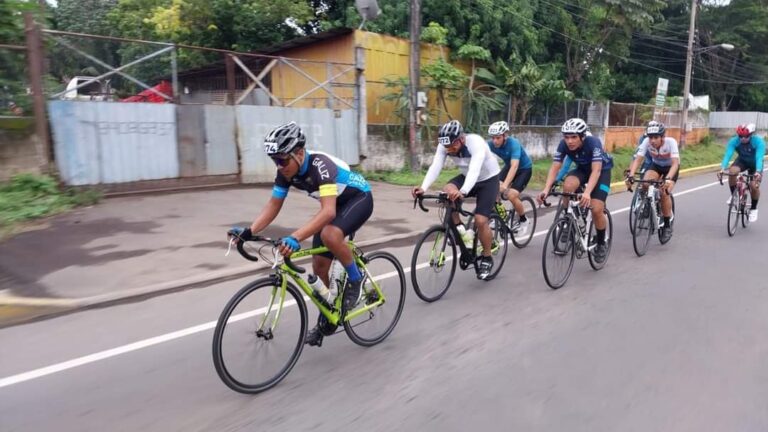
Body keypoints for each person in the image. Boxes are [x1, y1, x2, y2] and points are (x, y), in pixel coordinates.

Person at [237, 121, 373, 347]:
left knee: (330, 235)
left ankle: (356, 278)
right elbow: (273, 205)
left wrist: (295, 237)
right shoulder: (286, 172)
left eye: (282, 160)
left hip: (358, 199)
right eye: (275, 160)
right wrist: (249, 232)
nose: (279, 166)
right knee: (319, 267)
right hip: (335, 206)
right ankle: (331, 313)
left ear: (299, 153)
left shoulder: (321, 166)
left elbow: (328, 211)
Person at [412, 120, 501, 280]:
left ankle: (487, 257)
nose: (449, 150)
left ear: (461, 139)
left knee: (480, 221)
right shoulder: (445, 145)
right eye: (447, 148)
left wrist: (463, 191)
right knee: (447, 191)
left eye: (452, 146)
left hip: (488, 179)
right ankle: (464, 235)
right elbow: (436, 166)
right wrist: (423, 188)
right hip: (467, 176)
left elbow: (474, 170)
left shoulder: (476, 143)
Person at [537, 118, 613, 263]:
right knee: (568, 185)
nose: (569, 141)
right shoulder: (563, 145)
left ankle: (601, 242)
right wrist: (546, 189)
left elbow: (596, 170)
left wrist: (587, 192)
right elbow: (555, 167)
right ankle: (568, 218)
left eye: (573, 137)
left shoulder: (593, 143)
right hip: (583, 170)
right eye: (566, 137)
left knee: (597, 209)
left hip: (602, 171)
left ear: (582, 136)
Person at [624, 121, 679, 242]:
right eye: (650, 138)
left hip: (670, 168)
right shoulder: (646, 142)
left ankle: (667, 224)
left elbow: (675, 164)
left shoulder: (671, 142)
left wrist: (668, 179)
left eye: (656, 137)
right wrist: (631, 175)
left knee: (664, 192)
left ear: (662, 137)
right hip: (656, 166)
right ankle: (647, 204)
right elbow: (638, 160)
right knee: (645, 183)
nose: (652, 141)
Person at [486, 121, 533, 234]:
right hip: (508, 166)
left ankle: (523, 219)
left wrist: (505, 185)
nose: (495, 141)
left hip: (524, 169)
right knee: (492, 189)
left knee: (511, 195)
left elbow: (515, 165)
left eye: (498, 138)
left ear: (505, 136)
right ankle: (502, 216)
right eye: (493, 138)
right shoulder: (490, 144)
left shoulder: (513, 143)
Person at [719, 123, 765, 222]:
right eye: (740, 136)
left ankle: (753, 208)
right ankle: (734, 196)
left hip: (755, 164)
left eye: (746, 136)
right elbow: (728, 154)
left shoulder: (758, 142)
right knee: (732, 171)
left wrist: (757, 171)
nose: (743, 139)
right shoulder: (734, 141)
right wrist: (722, 168)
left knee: (754, 186)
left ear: (751, 134)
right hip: (742, 161)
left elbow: (759, 157)